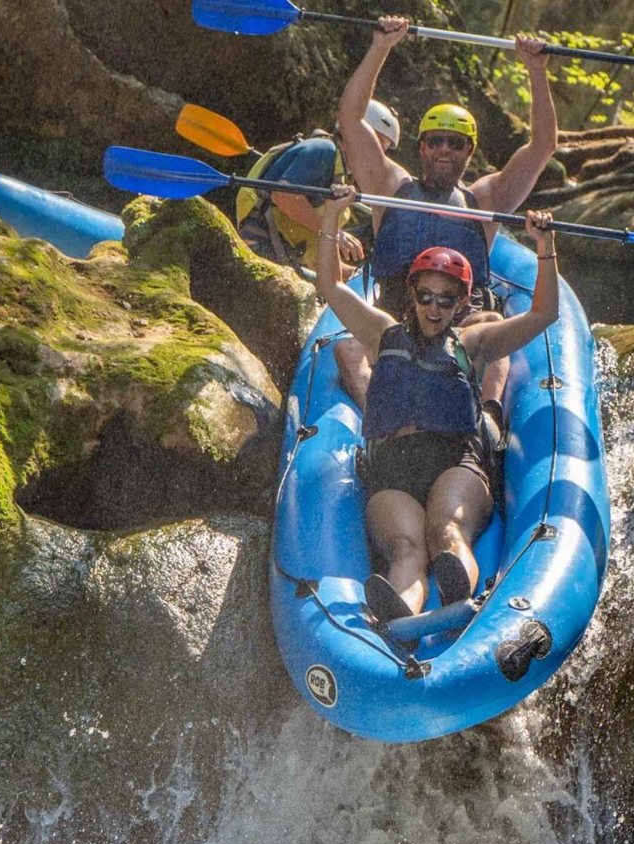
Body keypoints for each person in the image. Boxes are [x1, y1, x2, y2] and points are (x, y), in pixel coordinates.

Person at [315, 187, 561, 623]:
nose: (434, 307)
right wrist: (333, 214)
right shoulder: (381, 333)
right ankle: (399, 616)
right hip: (392, 468)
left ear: (462, 303)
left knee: (446, 532)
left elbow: (543, 314)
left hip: (454, 462)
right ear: (411, 293)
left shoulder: (474, 342)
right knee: (406, 548)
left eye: (446, 300)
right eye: (426, 295)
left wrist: (546, 247)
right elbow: (330, 286)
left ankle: (460, 592)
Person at [334, 16, 556, 412]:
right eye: (434, 141)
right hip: (397, 322)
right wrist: (380, 47)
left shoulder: (486, 199)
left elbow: (542, 147)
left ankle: (486, 420)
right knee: (349, 350)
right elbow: (351, 119)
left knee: (489, 326)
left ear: (469, 153)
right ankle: (379, 420)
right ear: (420, 147)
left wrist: (536, 71)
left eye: (455, 143)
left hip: (459, 326)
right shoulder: (390, 186)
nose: (443, 150)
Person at [234, 100, 401, 274]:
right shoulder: (323, 150)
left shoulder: (337, 175)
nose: (378, 155)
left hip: (280, 255)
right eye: (377, 142)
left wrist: (364, 276)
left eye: (384, 148)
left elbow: (324, 269)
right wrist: (334, 233)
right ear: (354, 133)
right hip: (259, 246)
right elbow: (283, 194)